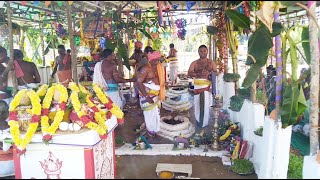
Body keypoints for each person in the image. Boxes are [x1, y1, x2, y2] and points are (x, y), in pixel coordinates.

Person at [136, 51, 165, 137]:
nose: (158, 62)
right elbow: (139, 82)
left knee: (155, 115)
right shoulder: (146, 68)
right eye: (156, 60)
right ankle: (150, 133)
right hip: (148, 96)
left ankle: (154, 132)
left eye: (158, 60)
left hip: (155, 95)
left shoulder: (157, 67)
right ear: (151, 60)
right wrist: (147, 96)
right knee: (149, 116)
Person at [188, 45, 217, 128]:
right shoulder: (195, 63)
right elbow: (189, 73)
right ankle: (199, 121)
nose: (203, 52)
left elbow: (216, 73)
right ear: (198, 52)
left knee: (205, 106)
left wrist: (209, 74)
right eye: (201, 51)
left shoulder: (211, 62)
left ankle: (204, 124)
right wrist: (198, 73)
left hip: (206, 88)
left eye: (204, 51)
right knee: (197, 106)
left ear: (207, 51)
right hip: (197, 87)